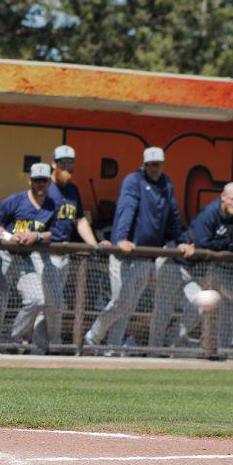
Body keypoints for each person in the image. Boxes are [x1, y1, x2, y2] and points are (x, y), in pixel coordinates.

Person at [84, 147, 193, 351]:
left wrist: (181, 240)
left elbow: (174, 215)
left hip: (146, 255)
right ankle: (91, 338)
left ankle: (113, 348)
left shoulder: (166, 184)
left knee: (129, 306)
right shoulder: (134, 180)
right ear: (144, 164)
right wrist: (121, 239)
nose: (154, 168)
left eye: (158, 164)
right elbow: (126, 208)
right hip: (124, 254)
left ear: (162, 165)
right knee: (121, 302)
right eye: (150, 164)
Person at [152, 182, 233, 350]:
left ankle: (170, 344)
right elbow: (202, 244)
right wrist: (225, 243)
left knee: (202, 307)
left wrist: (223, 244)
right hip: (174, 263)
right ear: (223, 197)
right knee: (164, 310)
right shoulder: (209, 214)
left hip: (192, 269)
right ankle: (153, 350)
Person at [0, 163, 57, 353]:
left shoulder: (51, 206)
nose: (40, 184)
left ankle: (11, 339)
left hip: (26, 258)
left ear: (49, 181)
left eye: (44, 180)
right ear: (29, 180)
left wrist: (37, 236)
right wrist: (12, 237)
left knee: (37, 300)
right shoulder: (14, 201)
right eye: (36, 180)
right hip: (3, 255)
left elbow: (54, 232)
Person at [33, 145, 97, 347]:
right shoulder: (45, 187)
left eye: (70, 163)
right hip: (44, 254)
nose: (67, 167)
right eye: (63, 163)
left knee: (49, 304)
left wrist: (94, 244)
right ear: (54, 164)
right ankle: (55, 344)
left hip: (64, 256)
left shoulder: (73, 190)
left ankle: (37, 347)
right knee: (56, 304)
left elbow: (79, 220)